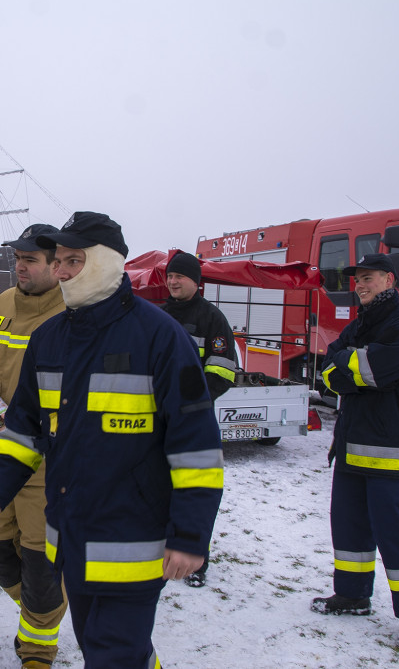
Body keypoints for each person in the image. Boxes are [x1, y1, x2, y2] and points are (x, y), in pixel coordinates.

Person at [0, 212, 223, 667]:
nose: (63, 271)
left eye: (75, 260)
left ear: (108, 262)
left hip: (133, 543)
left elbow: (196, 447)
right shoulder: (49, 340)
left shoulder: (161, 338)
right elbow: (24, 428)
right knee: (103, 646)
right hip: (70, 542)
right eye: (60, 261)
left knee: (113, 655)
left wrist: (190, 534)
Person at [311, 253, 399, 651]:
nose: (360, 285)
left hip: (387, 449)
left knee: (395, 533)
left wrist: (345, 369)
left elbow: (366, 372)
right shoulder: (364, 322)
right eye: (357, 280)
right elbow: (330, 367)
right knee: (349, 526)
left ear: (388, 280)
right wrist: (345, 369)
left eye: (368, 278)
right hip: (352, 445)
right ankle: (352, 595)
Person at [0, 223, 67, 669]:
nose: (18, 266)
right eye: (16, 257)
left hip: (45, 470)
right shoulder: (4, 302)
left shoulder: (70, 311)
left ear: (55, 265)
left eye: (29, 260)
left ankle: (38, 653)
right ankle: (45, 614)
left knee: (41, 568)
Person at [161, 251, 238, 588]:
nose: (174, 281)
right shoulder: (158, 316)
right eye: (170, 276)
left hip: (192, 421)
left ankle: (196, 559)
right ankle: (164, 550)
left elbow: (223, 371)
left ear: (197, 281)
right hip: (157, 418)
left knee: (193, 489)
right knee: (160, 486)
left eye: (180, 276)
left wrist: (190, 404)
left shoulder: (212, 319)